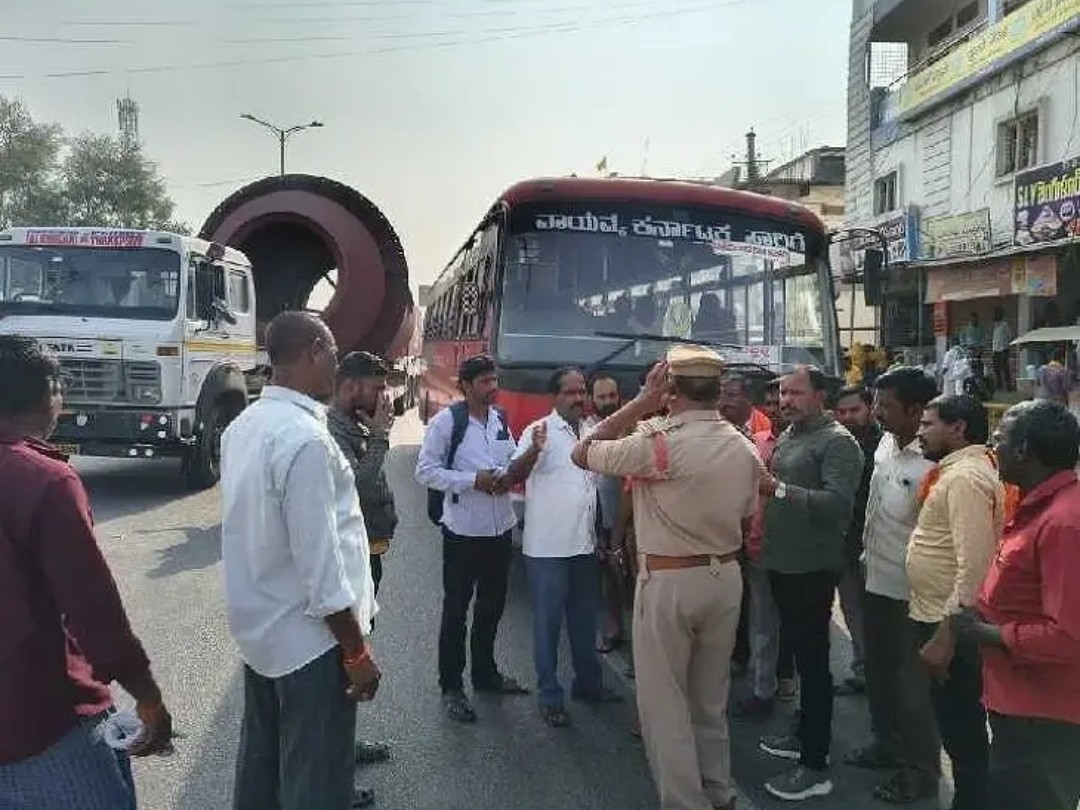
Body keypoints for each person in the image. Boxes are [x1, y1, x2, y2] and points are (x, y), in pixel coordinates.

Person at [571, 346, 760, 810]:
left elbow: (583, 451)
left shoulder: (658, 443)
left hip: (671, 582)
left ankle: (684, 802)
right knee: (709, 700)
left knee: (664, 706)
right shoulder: (744, 444)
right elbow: (752, 513)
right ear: (717, 391)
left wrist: (639, 403)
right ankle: (718, 791)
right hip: (726, 577)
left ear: (669, 391)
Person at [0, 335, 174, 810]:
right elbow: (93, 611)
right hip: (46, 726)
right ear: (49, 393)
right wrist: (149, 698)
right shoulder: (45, 481)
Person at [221, 312, 381, 810]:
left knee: (263, 766)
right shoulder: (306, 441)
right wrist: (356, 654)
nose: (336, 368)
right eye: (332, 355)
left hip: (263, 634)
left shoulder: (244, 426)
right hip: (312, 646)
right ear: (313, 350)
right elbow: (321, 567)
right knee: (317, 780)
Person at [954, 400, 1080, 810]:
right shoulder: (1039, 507)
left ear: (1024, 449)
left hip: (1044, 711)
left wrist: (987, 633)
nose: (993, 445)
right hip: (1018, 697)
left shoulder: (1064, 523)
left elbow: (1068, 637)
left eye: (1000, 437)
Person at [757, 366, 864, 802]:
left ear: (820, 395)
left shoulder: (838, 443)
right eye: (782, 393)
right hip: (782, 563)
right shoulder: (790, 435)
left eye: (795, 393)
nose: (785, 400)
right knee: (802, 659)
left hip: (813, 569)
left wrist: (778, 490)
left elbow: (838, 506)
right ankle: (803, 734)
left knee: (816, 666)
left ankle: (815, 764)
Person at [415, 354, 529, 723]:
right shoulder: (447, 422)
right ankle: (451, 687)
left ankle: (485, 674)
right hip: (463, 532)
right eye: (484, 382)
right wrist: (472, 481)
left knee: (491, 607)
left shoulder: (500, 419)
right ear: (465, 386)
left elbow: (509, 458)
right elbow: (426, 472)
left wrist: (507, 475)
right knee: (456, 611)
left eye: (494, 380)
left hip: (499, 530)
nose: (492, 387)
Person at [845, 367, 942, 804]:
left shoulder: (935, 464)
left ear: (916, 410)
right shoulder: (886, 443)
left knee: (911, 689)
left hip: (912, 595)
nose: (877, 413)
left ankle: (920, 772)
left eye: (885, 406)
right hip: (875, 579)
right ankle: (886, 745)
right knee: (880, 676)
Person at [908, 394, 1004, 810]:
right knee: (957, 727)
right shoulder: (955, 472)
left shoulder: (965, 478)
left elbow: (974, 565)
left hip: (949, 624)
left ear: (958, 428)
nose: (919, 431)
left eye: (928, 423)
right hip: (938, 616)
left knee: (961, 731)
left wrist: (946, 635)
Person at [513, 367, 621, 727]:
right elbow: (514, 474)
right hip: (547, 548)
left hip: (583, 546)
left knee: (583, 621)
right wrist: (534, 452)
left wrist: (604, 539)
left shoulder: (591, 431)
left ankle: (588, 685)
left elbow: (595, 490)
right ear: (554, 397)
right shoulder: (538, 431)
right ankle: (549, 695)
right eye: (570, 392)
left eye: (581, 391)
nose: (578, 397)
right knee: (547, 625)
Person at [326, 350, 397, 773]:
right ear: (351, 386)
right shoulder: (332, 430)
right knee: (347, 658)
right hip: (353, 561)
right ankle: (336, 764)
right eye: (377, 387)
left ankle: (342, 745)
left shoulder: (353, 424)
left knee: (354, 656)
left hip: (369, 553)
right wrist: (382, 437)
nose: (384, 397)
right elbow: (352, 483)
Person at [733, 378, 797, 718]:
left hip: (799, 553)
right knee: (762, 622)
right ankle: (763, 688)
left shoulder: (815, 445)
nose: (778, 408)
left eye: (784, 401)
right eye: (771, 403)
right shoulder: (754, 443)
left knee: (795, 623)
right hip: (760, 546)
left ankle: (787, 677)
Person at [831, 385, 882, 696]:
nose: (848, 417)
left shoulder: (885, 446)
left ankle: (880, 676)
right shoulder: (837, 444)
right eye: (843, 412)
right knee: (852, 609)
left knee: (879, 616)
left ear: (870, 409)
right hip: (844, 544)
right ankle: (863, 668)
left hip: (877, 547)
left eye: (855, 410)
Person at [586, 373, 630, 654]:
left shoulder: (634, 428)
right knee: (610, 578)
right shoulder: (585, 431)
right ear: (592, 400)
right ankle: (614, 628)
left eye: (612, 396)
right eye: (602, 397)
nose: (608, 402)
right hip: (602, 517)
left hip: (635, 519)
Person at [990, 307, 1013, 392]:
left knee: (1005, 368)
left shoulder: (1004, 325)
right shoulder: (995, 326)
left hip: (1003, 349)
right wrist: (993, 350)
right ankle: (999, 386)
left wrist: (1006, 345)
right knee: (996, 369)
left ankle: (1008, 387)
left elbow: (1010, 336)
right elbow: (994, 339)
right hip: (995, 350)